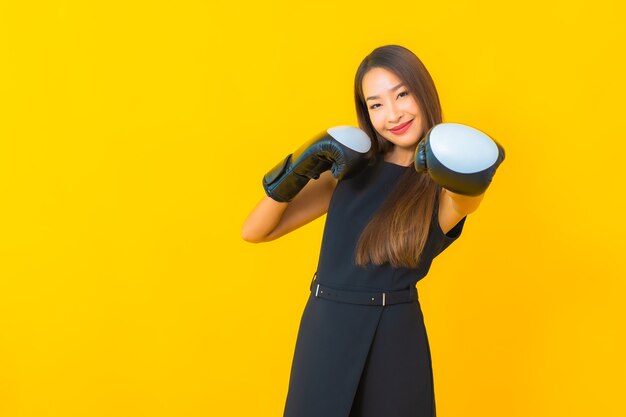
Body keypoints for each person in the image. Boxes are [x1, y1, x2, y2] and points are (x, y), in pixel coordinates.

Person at [241, 44, 505, 417]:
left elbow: (467, 200)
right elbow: (255, 231)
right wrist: (297, 167)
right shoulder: (351, 170)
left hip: (393, 339)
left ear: (423, 91)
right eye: (376, 104)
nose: (393, 114)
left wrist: (467, 166)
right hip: (326, 328)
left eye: (402, 94)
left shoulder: (444, 184)